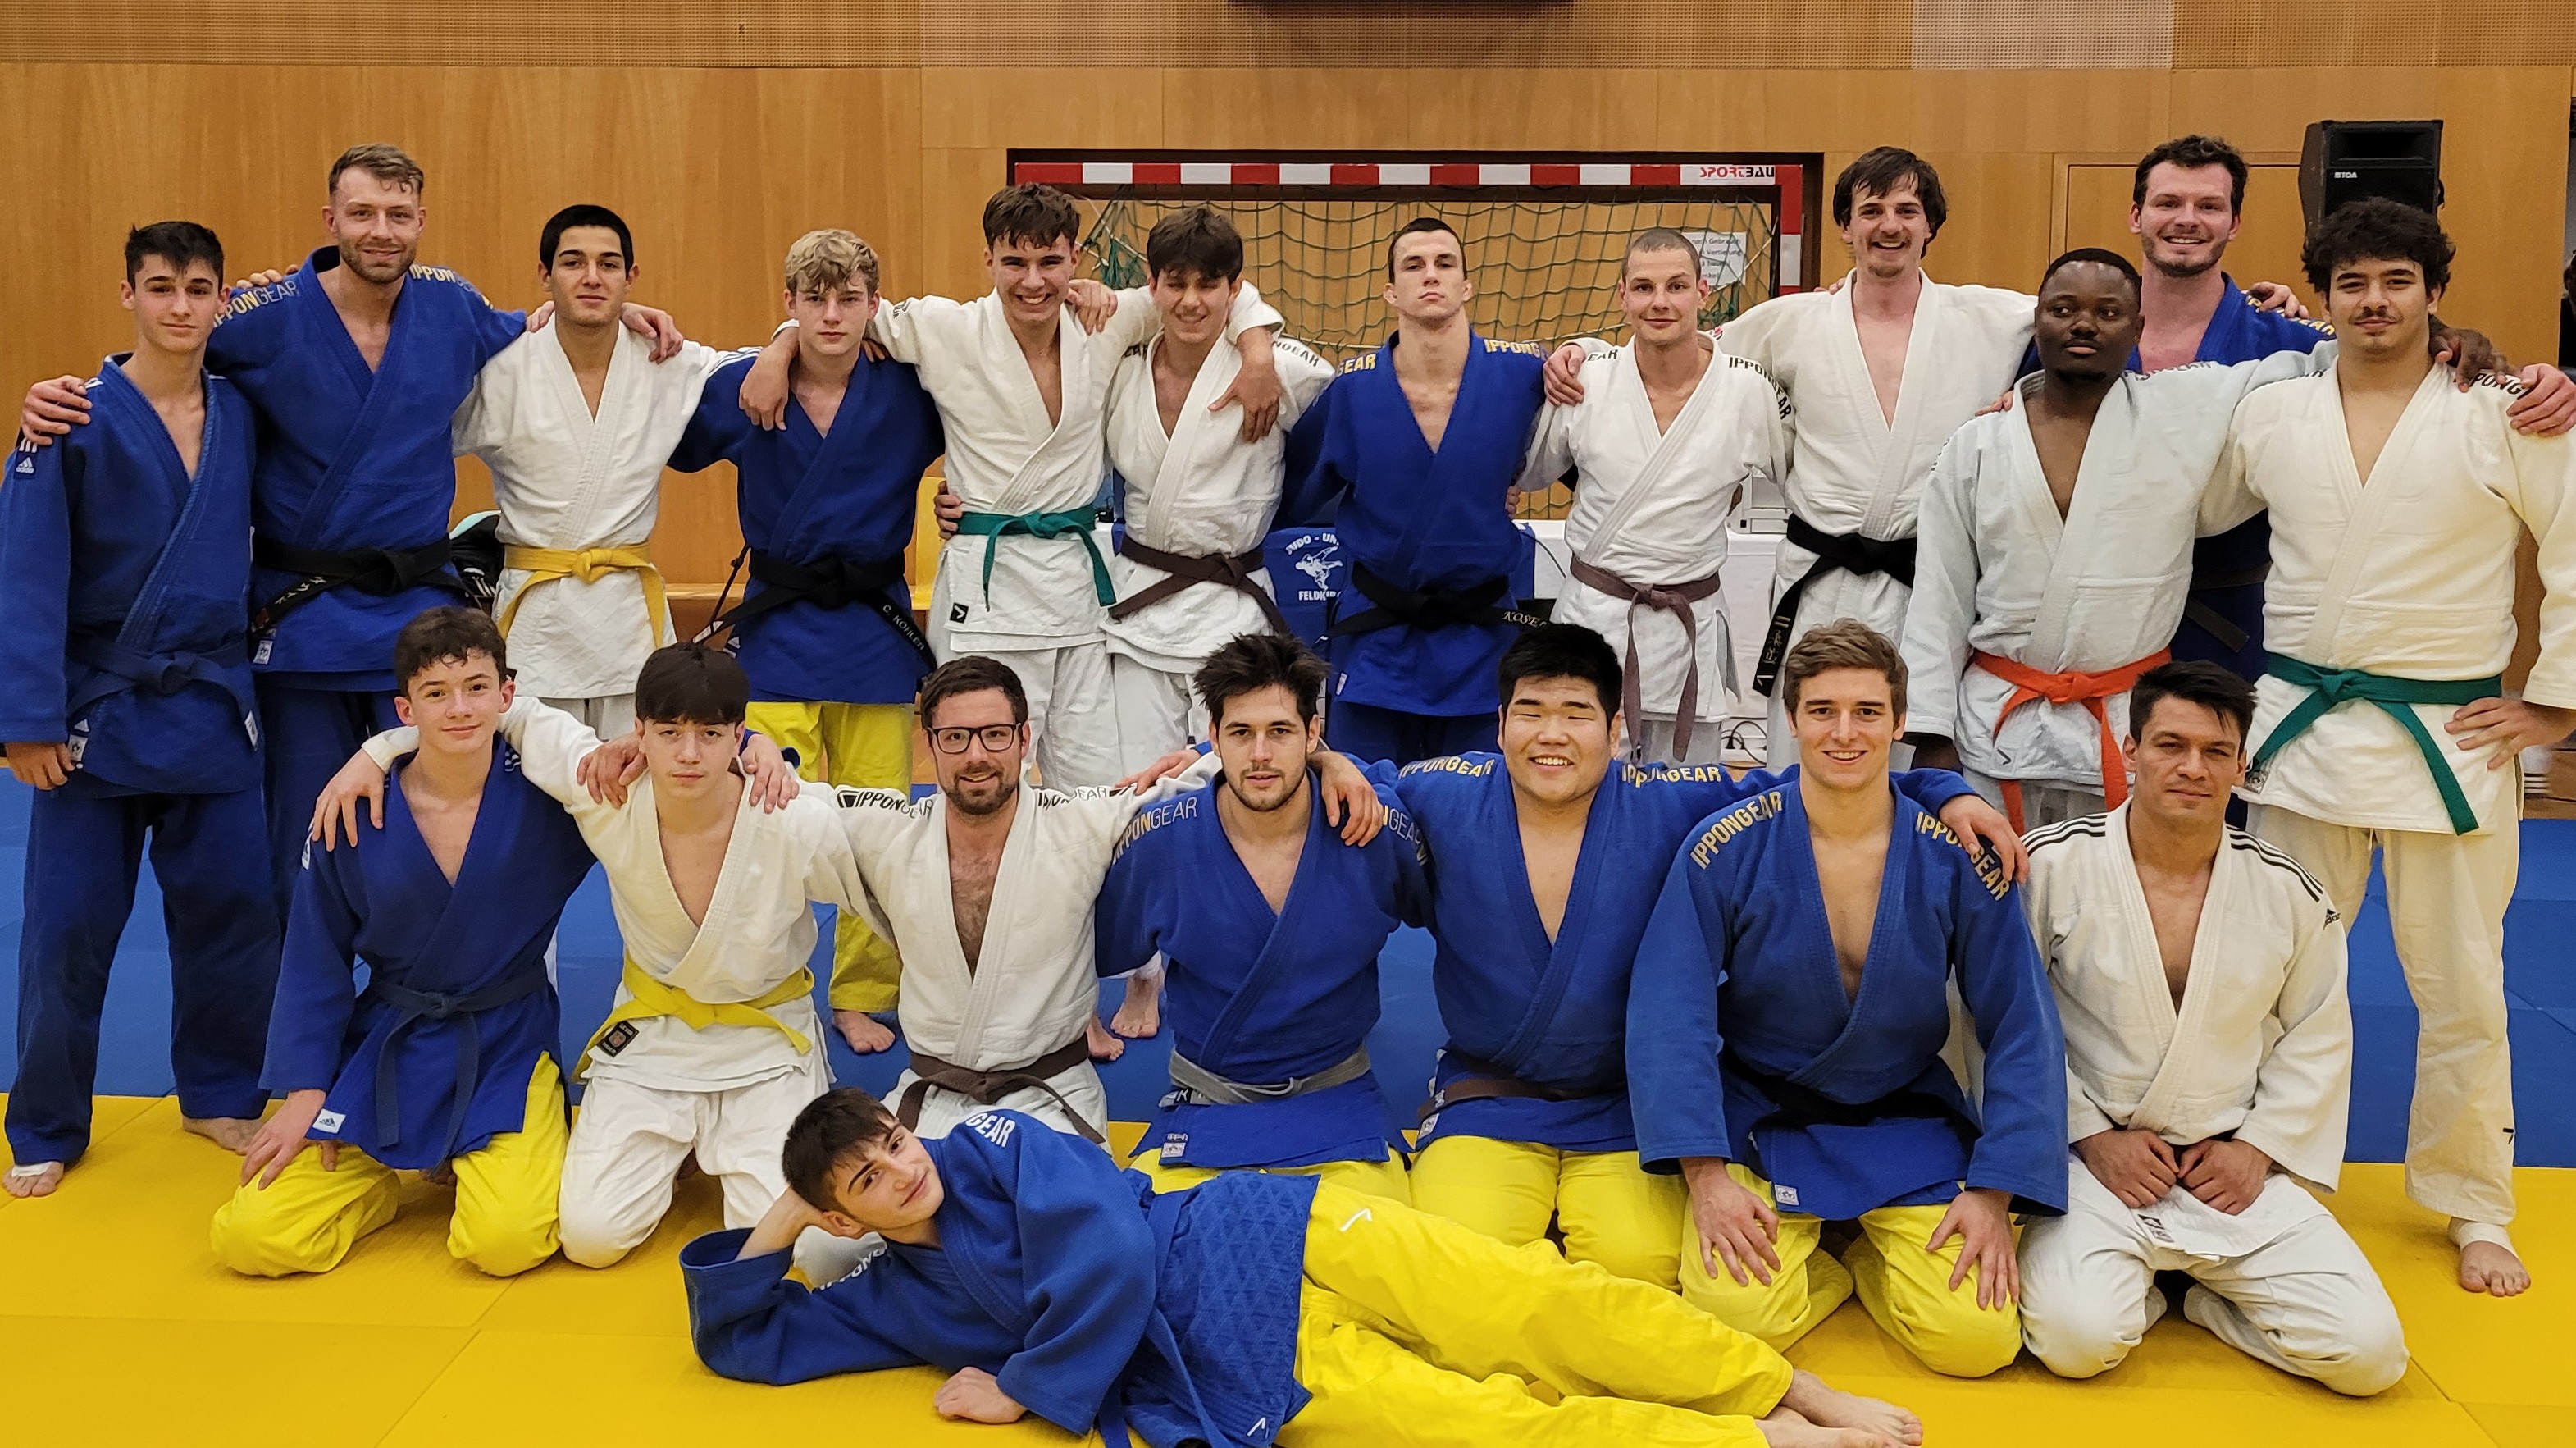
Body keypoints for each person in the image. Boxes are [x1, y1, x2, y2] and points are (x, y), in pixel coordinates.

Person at [14, 144, 680, 918]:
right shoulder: (265, 317)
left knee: (441, 827)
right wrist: (70, 392)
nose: (380, 230)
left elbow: (543, 332)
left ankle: (425, 985)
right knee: (301, 840)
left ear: (421, 220)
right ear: (330, 219)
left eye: (398, 214)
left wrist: (618, 313)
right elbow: (166, 353)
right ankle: (308, 991)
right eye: (362, 213)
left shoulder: (453, 308)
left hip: (416, 621)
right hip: (303, 622)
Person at [682, 1090, 1929, 1448]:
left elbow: (1107, 1245)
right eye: (865, 1180)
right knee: (1477, 1424)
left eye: (892, 1143)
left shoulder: (992, 1143)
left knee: (1532, 1298)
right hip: (1229, 1360)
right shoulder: (890, 1296)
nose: (901, 1171)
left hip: (1259, 1232)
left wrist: (1026, 1387)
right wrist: (785, 1213)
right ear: (842, 1211)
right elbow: (748, 1339)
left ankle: (1782, 1381)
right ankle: (1753, 1439)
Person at [1366, 624, 2023, 1290]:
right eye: (1530, 713)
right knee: (1449, 1269)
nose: (1552, 735)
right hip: (1488, 1098)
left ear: (1616, 728)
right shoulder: (1442, 794)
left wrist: (1944, 790)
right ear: (1500, 723)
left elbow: (1823, 781)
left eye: (1576, 714)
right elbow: (1365, 789)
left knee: (1645, 1268)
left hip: (1622, 1108)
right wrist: (1337, 765)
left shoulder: (1667, 800)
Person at [2200, 198, 2576, 1297]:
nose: (2375, 301)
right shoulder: (2272, 410)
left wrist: (2555, 707)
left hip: (2449, 738)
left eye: (2397, 280)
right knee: (2276, 978)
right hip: (2301, 733)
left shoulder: (2503, 412)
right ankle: (2277, 1171)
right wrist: (2031, 407)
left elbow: (2572, 548)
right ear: (2323, 299)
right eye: (2353, 283)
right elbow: (2180, 504)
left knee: (2463, 985)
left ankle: (2474, 1202)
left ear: (2433, 293)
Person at [319, 642, 851, 1273]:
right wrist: (379, 750)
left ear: (737, 735)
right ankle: (681, 1146)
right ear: (638, 732)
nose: (687, 753)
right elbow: (505, 713)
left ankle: (709, 1140)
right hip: (655, 1036)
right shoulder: (607, 788)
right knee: (590, 1238)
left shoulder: (789, 812)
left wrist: (762, 747)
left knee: (792, 1245)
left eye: (710, 734)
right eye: (669, 732)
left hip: (765, 1044)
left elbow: (899, 856)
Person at [1628, 619, 2067, 1377]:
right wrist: (1704, 1176)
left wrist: (1996, 1191)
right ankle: (1831, 1261)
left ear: (1899, 722)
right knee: (1735, 1318)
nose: (1843, 732)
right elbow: (1671, 1015)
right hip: (1762, 1114)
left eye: (1867, 711)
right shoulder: (1726, 845)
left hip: (1904, 1114)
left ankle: (1864, 1255)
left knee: (1976, 1341)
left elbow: (2021, 1022)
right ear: (1790, 719)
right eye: (1822, 710)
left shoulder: (1956, 853)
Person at [746, 184, 1284, 789]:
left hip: (1081, 602)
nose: (1033, 281)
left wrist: (1258, 355)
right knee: (981, 780)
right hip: (987, 594)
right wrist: (779, 348)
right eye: (1014, 262)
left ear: (1076, 258)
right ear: (988, 260)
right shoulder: (946, 329)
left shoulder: (1106, 320)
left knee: (1094, 788)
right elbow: (839, 315)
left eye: (1050, 262)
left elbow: (1222, 290)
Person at [775, 655, 1383, 1141]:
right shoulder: (890, 832)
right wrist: (752, 751)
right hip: (928, 1098)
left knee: (1054, 1238)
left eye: (994, 735)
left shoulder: (1082, 822)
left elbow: (1245, 772)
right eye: (955, 738)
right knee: (831, 1246)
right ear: (928, 744)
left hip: (1051, 1099)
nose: (977, 755)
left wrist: (1327, 759)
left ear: (1024, 739)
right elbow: (792, 803)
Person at [2014, 661, 2406, 1395]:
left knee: (2371, 1356)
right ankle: (2144, 1287)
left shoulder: (2288, 891)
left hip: (2227, 1170)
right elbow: (2001, 1020)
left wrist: (2258, 1148)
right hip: (2091, 1162)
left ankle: (2201, 1302)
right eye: (2170, 744)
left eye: (2214, 751)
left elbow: (2318, 1033)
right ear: (2130, 750)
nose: (2192, 767)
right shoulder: (2049, 866)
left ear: (2240, 766)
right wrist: (2087, 1134)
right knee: (2075, 1339)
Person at [0, 222, 277, 1198]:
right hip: (97, 712)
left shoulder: (242, 409)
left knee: (237, 915)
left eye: (200, 289)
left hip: (211, 705)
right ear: (128, 295)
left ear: (221, 299)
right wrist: (25, 720)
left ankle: (219, 1091)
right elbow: (27, 572)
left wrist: (284, 283)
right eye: (160, 287)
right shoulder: (67, 417)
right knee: (67, 928)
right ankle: (45, 1121)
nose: (180, 307)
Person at [2097, 135, 2574, 679]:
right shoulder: (2059, 339)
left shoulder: (2290, 344)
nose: (2187, 219)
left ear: (2234, 222)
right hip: (2103, 612)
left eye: (2208, 205)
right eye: (2168, 202)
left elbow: (2386, 348)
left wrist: (2469, 350)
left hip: (2241, 632)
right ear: (2135, 215)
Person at [209, 609, 591, 1275]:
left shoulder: (551, 798)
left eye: (476, 687)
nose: (459, 708)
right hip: (389, 1043)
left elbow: (666, 773)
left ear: (507, 694)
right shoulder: (353, 806)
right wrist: (305, 1090)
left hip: (506, 1044)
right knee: (253, 1237)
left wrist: (750, 748)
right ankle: (377, 1187)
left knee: (506, 1242)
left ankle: (483, 1151)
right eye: (436, 693)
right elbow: (314, 959)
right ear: (404, 709)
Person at [1899, 248, 2329, 830]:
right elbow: (1938, 598)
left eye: (2107, 312)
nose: (2084, 324)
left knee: (2119, 884)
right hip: (1993, 731)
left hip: (2127, 726)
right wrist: (1933, 737)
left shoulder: (2180, 409)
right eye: (2062, 309)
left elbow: (2323, 367)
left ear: (2137, 327)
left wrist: (2431, 338)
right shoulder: (1976, 444)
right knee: (1993, 883)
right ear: (2037, 322)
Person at [668, 228, 946, 1057]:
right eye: (813, 300)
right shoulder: (746, 387)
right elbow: (672, 441)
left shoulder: (909, 388)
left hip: (873, 629)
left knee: (879, 830)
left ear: (873, 305)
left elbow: (989, 431)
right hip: (778, 629)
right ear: (788, 303)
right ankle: (766, 977)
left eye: (848, 299)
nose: (831, 315)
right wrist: (770, 353)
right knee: (764, 821)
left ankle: (863, 993)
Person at [1088, 208, 1334, 1039]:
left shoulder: (1282, 369)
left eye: (1210, 284)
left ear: (1235, 290)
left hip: (1237, 609)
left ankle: (1248, 962)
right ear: (1151, 286)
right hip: (1138, 603)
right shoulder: (1120, 364)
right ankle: (1144, 974)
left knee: (1243, 795)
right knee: (1137, 798)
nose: (1191, 300)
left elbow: (1368, 426)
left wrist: (1258, 344)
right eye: (1175, 283)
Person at [1093, 633, 1418, 1202]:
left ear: (1313, 734)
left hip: (1339, 1096)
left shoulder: (1369, 826)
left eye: (1280, 732)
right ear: (1213, 737)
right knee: (1147, 1244)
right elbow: (1100, 949)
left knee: (1380, 1248)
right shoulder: (1161, 842)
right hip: (1206, 1101)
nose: (1261, 754)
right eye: (1241, 733)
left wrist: (1340, 764)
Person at [454, 203, 731, 739]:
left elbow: (754, 374)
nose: (591, 277)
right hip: (538, 622)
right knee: (536, 783)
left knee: (635, 781)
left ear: (630, 277)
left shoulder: (663, 359)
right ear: (545, 275)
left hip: (628, 622)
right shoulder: (505, 367)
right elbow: (415, 435)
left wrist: (786, 339)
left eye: (608, 264)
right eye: (573, 262)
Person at [1280, 217, 1550, 765]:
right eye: (1414, 265)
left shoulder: (1524, 376)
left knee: (1477, 805)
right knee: (1366, 804)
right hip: (1377, 646)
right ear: (1390, 291)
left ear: (1466, 285)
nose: (1431, 275)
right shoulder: (1352, 390)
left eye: (1444, 263)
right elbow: (1292, 500)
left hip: (1483, 644)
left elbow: (1587, 461)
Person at [1519, 226, 1790, 765]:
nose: (1659, 302)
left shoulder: (1747, 391)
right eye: (1643, 287)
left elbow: (1802, 482)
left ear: (1702, 293)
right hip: (1594, 620)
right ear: (1622, 296)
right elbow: (1525, 474)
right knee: (1580, 785)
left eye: (1676, 286)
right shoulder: (1585, 383)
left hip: (1691, 629)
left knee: (1686, 797)